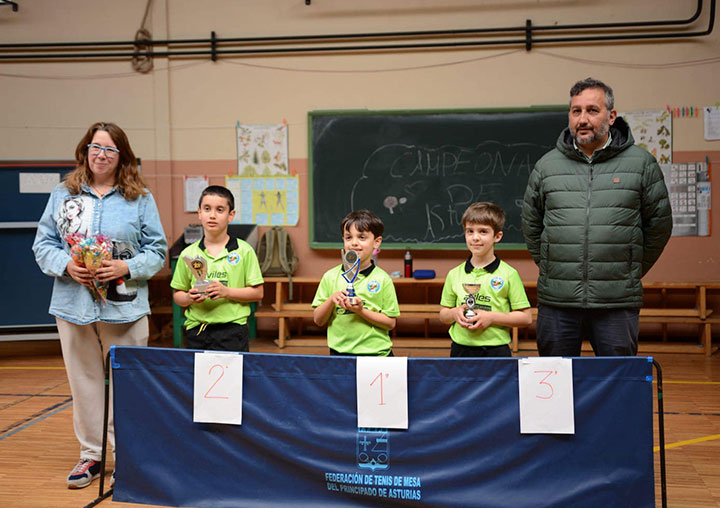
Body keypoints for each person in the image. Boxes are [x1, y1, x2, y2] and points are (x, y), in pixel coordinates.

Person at [32, 122, 167, 489]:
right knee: (84, 383)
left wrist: (126, 266)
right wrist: (66, 265)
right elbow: (43, 244)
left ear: (121, 156)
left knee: (129, 383)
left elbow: (157, 250)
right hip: (73, 306)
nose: (101, 154)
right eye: (95, 147)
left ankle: (129, 456)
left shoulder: (139, 198)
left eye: (109, 149)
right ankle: (91, 457)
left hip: (125, 309)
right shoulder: (63, 194)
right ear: (84, 151)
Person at [521, 77, 672, 357]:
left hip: (616, 301)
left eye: (592, 110)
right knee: (555, 385)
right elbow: (531, 224)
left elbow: (659, 225)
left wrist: (628, 268)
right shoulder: (547, 166)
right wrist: (552, 264)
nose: (583, 119)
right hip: (558, 300)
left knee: (616, 383)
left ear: (611, 116)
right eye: (576, 111)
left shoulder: (641, 164)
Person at [171, 185, 264, 352]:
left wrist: (226, 292)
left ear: (231, 215)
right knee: (199, 378)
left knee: (233, 378)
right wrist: (189, 297)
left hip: (233, 330)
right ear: (199, 213)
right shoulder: (189, 253)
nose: (212, 215)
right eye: (207, 209)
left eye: (220, 210)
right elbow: (178, 296)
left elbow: (258, 293)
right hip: (197, 330)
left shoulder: (244, 251)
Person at [439, 202, 532, 357]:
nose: (475, 238)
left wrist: (491, 317)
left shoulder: (509, 274)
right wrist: (454, 313)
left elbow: (526, 317)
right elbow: (443, 314)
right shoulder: (454, 274)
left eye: (483, 232)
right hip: (461, 349)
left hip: (496, 350)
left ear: (497, 236)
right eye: (470, 231)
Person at [312, 210, 400, 356]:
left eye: (362, 237)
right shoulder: (330, 277)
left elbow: (390, 323)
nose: (354, 243)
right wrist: (331, 300)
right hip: (340, 355)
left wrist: (360, 311)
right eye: (348, 237)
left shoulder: (383, 279)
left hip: (376, 355)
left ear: (376, 242)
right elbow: (318, 320)